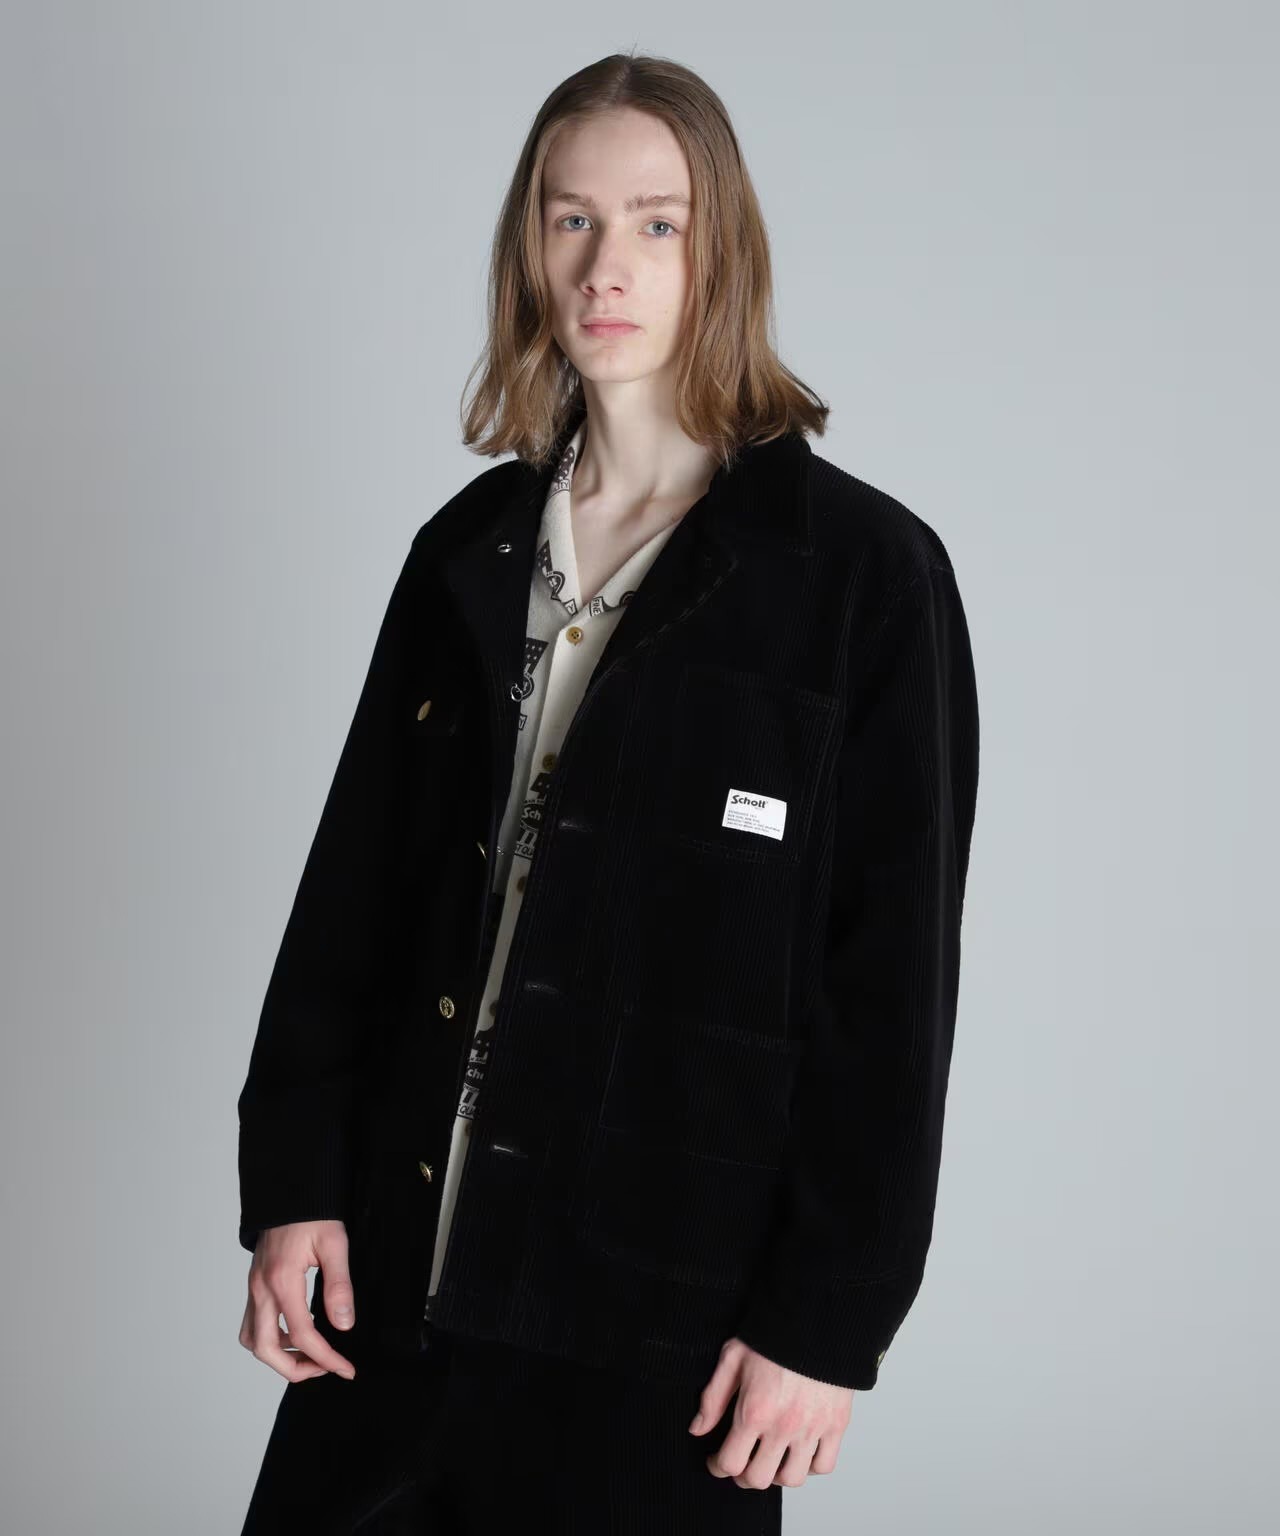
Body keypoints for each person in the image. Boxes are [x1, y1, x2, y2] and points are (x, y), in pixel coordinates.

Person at [236, 50, 980, 1535]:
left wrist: (827, 1321)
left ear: (722, 251)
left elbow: (891, 995)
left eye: (656, 221)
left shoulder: (863, 583)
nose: (606, 266)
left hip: (654, 1319)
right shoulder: (466, 552)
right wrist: (294, 1182)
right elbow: (354, 897)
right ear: (529, 245)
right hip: (396, 1273)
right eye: (569, 219)